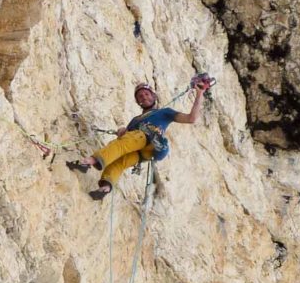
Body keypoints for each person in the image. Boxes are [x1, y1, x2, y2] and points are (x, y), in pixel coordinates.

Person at [67, 79, 209, 200]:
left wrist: (199, 94)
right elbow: (126, 137)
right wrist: (123, 131)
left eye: (146, 94)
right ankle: (104, 188)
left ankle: (87, 162)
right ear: (137, 102)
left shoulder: (165, 112)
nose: (144, 97)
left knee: (121, 145)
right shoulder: (135, 120)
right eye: (140, 97)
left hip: (144, 138)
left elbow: (192, 118)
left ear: (154, 96)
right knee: (119, 162)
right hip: (143, 153)